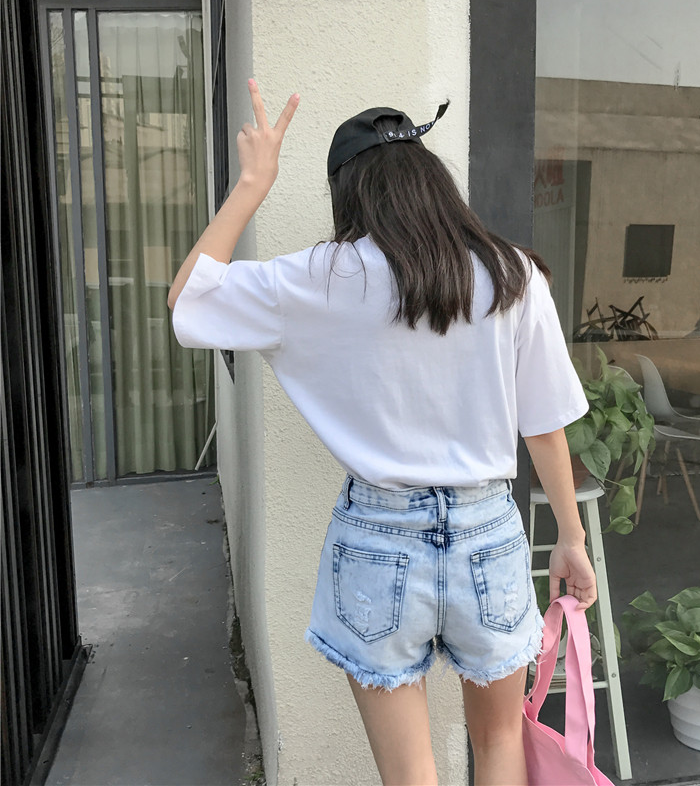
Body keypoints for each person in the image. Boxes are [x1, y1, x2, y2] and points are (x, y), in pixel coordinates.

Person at [168, 80, 597, 786]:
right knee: (499, 744)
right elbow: (544, 425)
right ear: (432, 181)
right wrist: (571, 540)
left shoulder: (319, 279)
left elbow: (189, 302)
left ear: (351, 197)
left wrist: (253, 182)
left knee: (409, 774)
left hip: (377, 537)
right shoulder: (511, 273)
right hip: (488, 533)